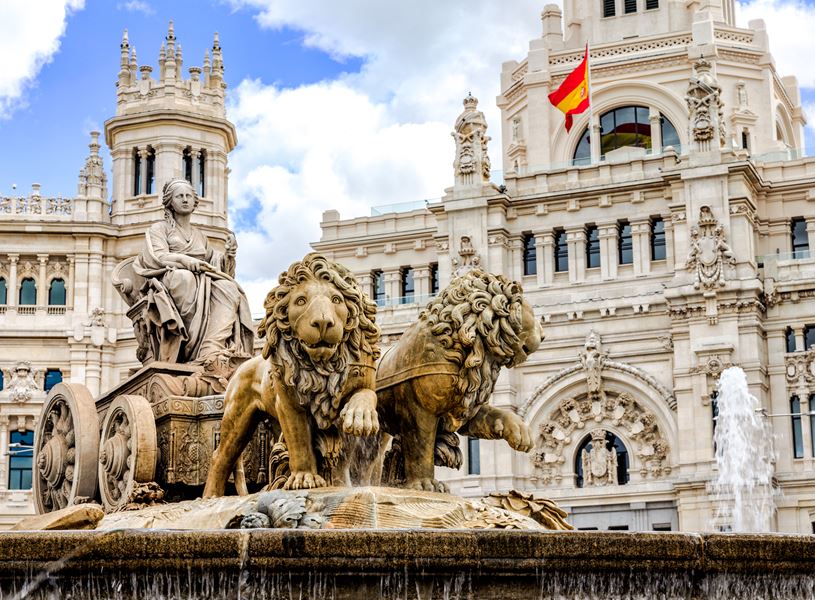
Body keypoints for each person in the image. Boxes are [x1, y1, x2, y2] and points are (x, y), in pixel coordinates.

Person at [133, 178, 254, 363]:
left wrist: (229, 255)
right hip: (171, 278)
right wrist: (185, 260)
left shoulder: (200, 235)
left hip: (202, 279)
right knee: (185, 278)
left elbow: (216, 264)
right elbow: (157, 257)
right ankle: (188, 347)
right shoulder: (159, 229)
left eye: (188, 196)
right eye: (179, 196)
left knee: (229, 287)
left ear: (194, 201)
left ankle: (210, 347)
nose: (185, 199)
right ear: (170, 201)